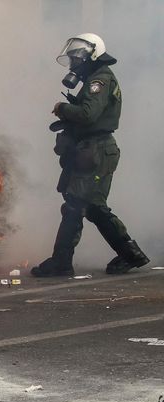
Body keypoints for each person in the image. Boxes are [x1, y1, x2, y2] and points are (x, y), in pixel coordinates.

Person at [31, 33, 149, 277]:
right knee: (88, 206)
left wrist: (63, 108)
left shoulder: (101, 79)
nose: (74, 64)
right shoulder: (95, 78)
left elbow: (88, 114)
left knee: (81, 206)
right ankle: (129, 254)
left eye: (76, 59)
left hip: (97, 150)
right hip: (90, 150)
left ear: (90, 56)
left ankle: (63, 262)